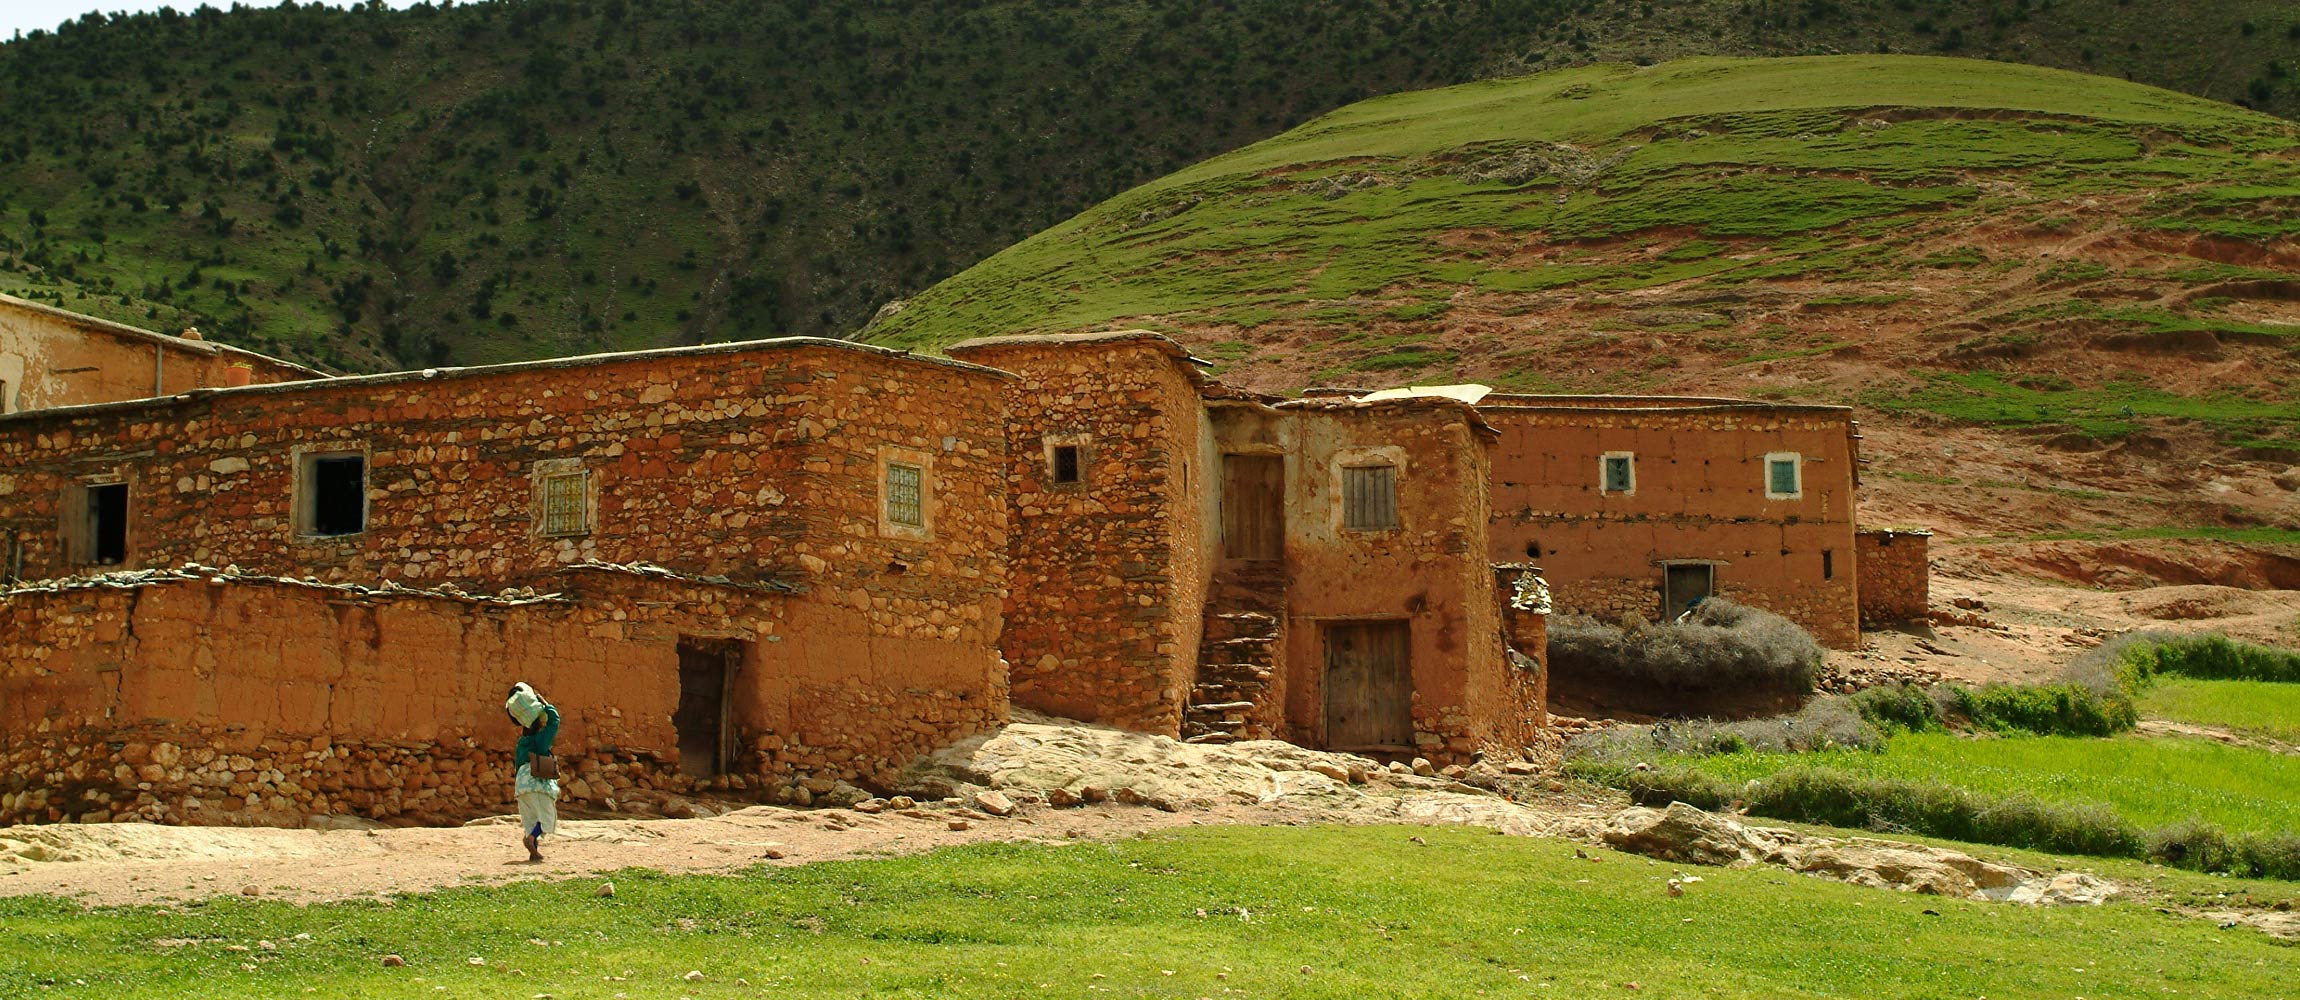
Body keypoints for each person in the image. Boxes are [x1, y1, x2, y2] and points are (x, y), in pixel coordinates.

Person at [503, 682, 561, 862]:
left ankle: (533, 851)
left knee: (529, 818)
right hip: (536, 782)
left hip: (521, 784)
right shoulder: (539, 740)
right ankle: (531, 838)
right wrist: (545, 704)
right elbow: (554, 722)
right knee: (546, 818)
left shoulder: (522, 742)